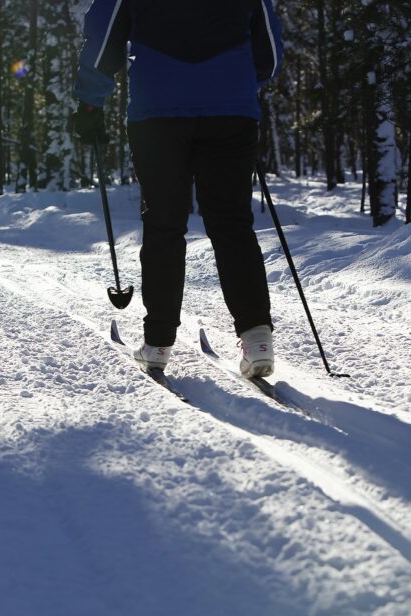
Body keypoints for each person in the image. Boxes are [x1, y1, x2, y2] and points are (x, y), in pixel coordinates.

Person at [71, 0, 284, 379]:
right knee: (232, 223)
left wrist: (91, 102)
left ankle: (157, 344)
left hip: (158, 113)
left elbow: (103, 38)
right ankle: (256, 340)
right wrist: (239, 81)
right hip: (230, 111)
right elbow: (268, 48)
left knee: (164, 225)